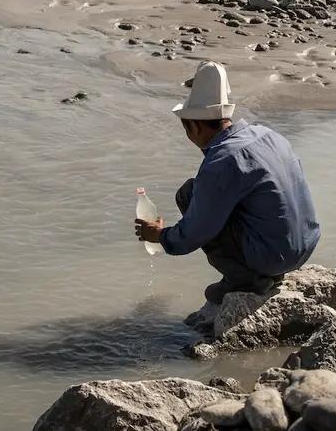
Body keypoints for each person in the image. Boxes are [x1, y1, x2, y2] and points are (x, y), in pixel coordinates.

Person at [134, 61, 321, 304]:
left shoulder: (222, 162)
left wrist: (161, 236)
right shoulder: (268, 134)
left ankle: (246, 280)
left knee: (189, 195)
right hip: (305, 246)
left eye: (187, 129)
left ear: (196, 126)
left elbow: (195, 233)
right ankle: (269, 270)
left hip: (276, 256)